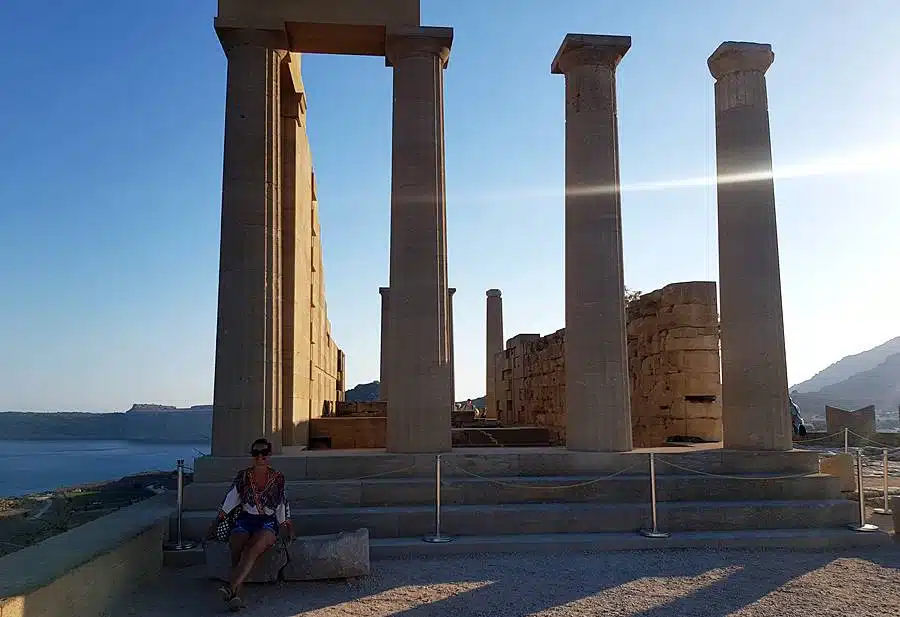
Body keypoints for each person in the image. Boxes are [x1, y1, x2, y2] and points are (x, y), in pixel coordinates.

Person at [207, 438, 292, 611]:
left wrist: (286, 525)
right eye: (256, 453)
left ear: (269, 454)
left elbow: (282, 503)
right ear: (252, 455)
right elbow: (230, 500)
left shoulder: (278, 478)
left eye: (263, 453)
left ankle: (231, 587)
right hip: (246, 519)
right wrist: (216, 522)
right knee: (236, 545)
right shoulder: (243, 476)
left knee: (251, 549)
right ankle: (237, 595)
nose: (260, 457)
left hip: (267, 522)